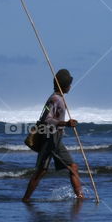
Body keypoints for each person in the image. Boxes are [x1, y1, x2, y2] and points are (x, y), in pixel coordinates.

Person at [22, 68, 83, 201]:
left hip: (56, 138)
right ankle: (25, 199)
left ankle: (80, 197)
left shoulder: (58, 98)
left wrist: (64, 125)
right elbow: (46, 119)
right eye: (69, 84)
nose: (70, 86)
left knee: (70, 167)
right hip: (50, 138)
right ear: (64, 85)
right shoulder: (55, 99)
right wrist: (65, 123)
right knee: (42, 171)